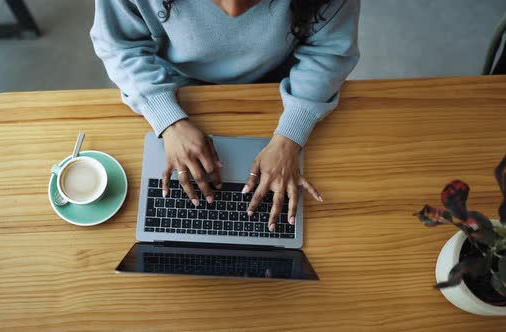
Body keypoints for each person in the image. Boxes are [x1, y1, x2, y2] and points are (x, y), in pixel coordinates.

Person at [90, 0, 360, 231]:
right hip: (172, 81)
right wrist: (168, 119)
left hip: (280, 81)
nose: (233, 10)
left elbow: (328, 53)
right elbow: (119, 45)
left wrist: (291, 134)